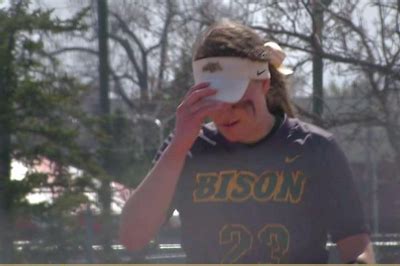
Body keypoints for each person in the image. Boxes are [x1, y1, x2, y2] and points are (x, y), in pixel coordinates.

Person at [119, 19, 375, 264]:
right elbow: (133, 237)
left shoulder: (316, 149)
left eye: (236, 98)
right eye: (213, 101)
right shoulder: (188, 148)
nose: (225, 112)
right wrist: (178, 146)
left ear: (263, 84)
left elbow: (355, 241)